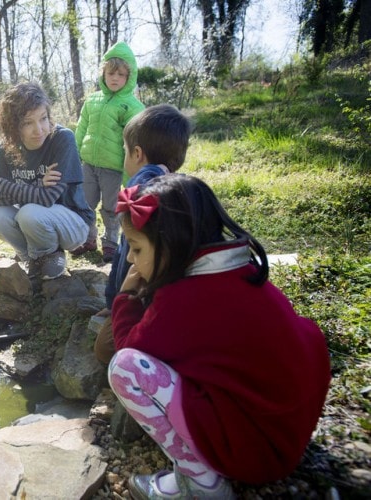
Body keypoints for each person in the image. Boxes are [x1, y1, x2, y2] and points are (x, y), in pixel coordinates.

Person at [108, 174, 331, 499]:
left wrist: (125, 299)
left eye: (137, 247)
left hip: (252, 454)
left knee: (125, 368)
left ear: (171, 246)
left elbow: (129, 346)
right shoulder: (240, 271)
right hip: (286, 437)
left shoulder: (180, 300)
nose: (130, 258)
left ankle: (200, 483)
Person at [94, 104, 192, 365]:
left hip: (146, 294)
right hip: (163, 293)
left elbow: (129, 257)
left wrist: (115, 298)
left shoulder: (144, 186)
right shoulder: (178, 185)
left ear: (137, 153)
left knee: (104, 349)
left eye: (125, 150)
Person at [0, 82, 95, 282]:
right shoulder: (8, 148)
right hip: (35, 222)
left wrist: (1, 187)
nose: (39, 129)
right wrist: (36, 186)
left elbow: (47, 198)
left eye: (43, 118)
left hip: (73, 223)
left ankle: (48, 255)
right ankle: (35, 259)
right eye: (28, 123)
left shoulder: (62, 139)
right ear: (13, 126)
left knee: (29, 212)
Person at [73, 41, 145, 262]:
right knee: (85, 203)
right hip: (88, 165)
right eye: (111, 72)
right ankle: (87, 238)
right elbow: (81, 128)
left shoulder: (131, 106)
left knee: (111, 208)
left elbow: (135, 143)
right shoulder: (93, 100)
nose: (115, 78)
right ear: (103, 73)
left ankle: (111, 242)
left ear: (129, 77)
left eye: (121, 74)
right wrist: (74, 155)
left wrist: (130, 173)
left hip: (113, 168)